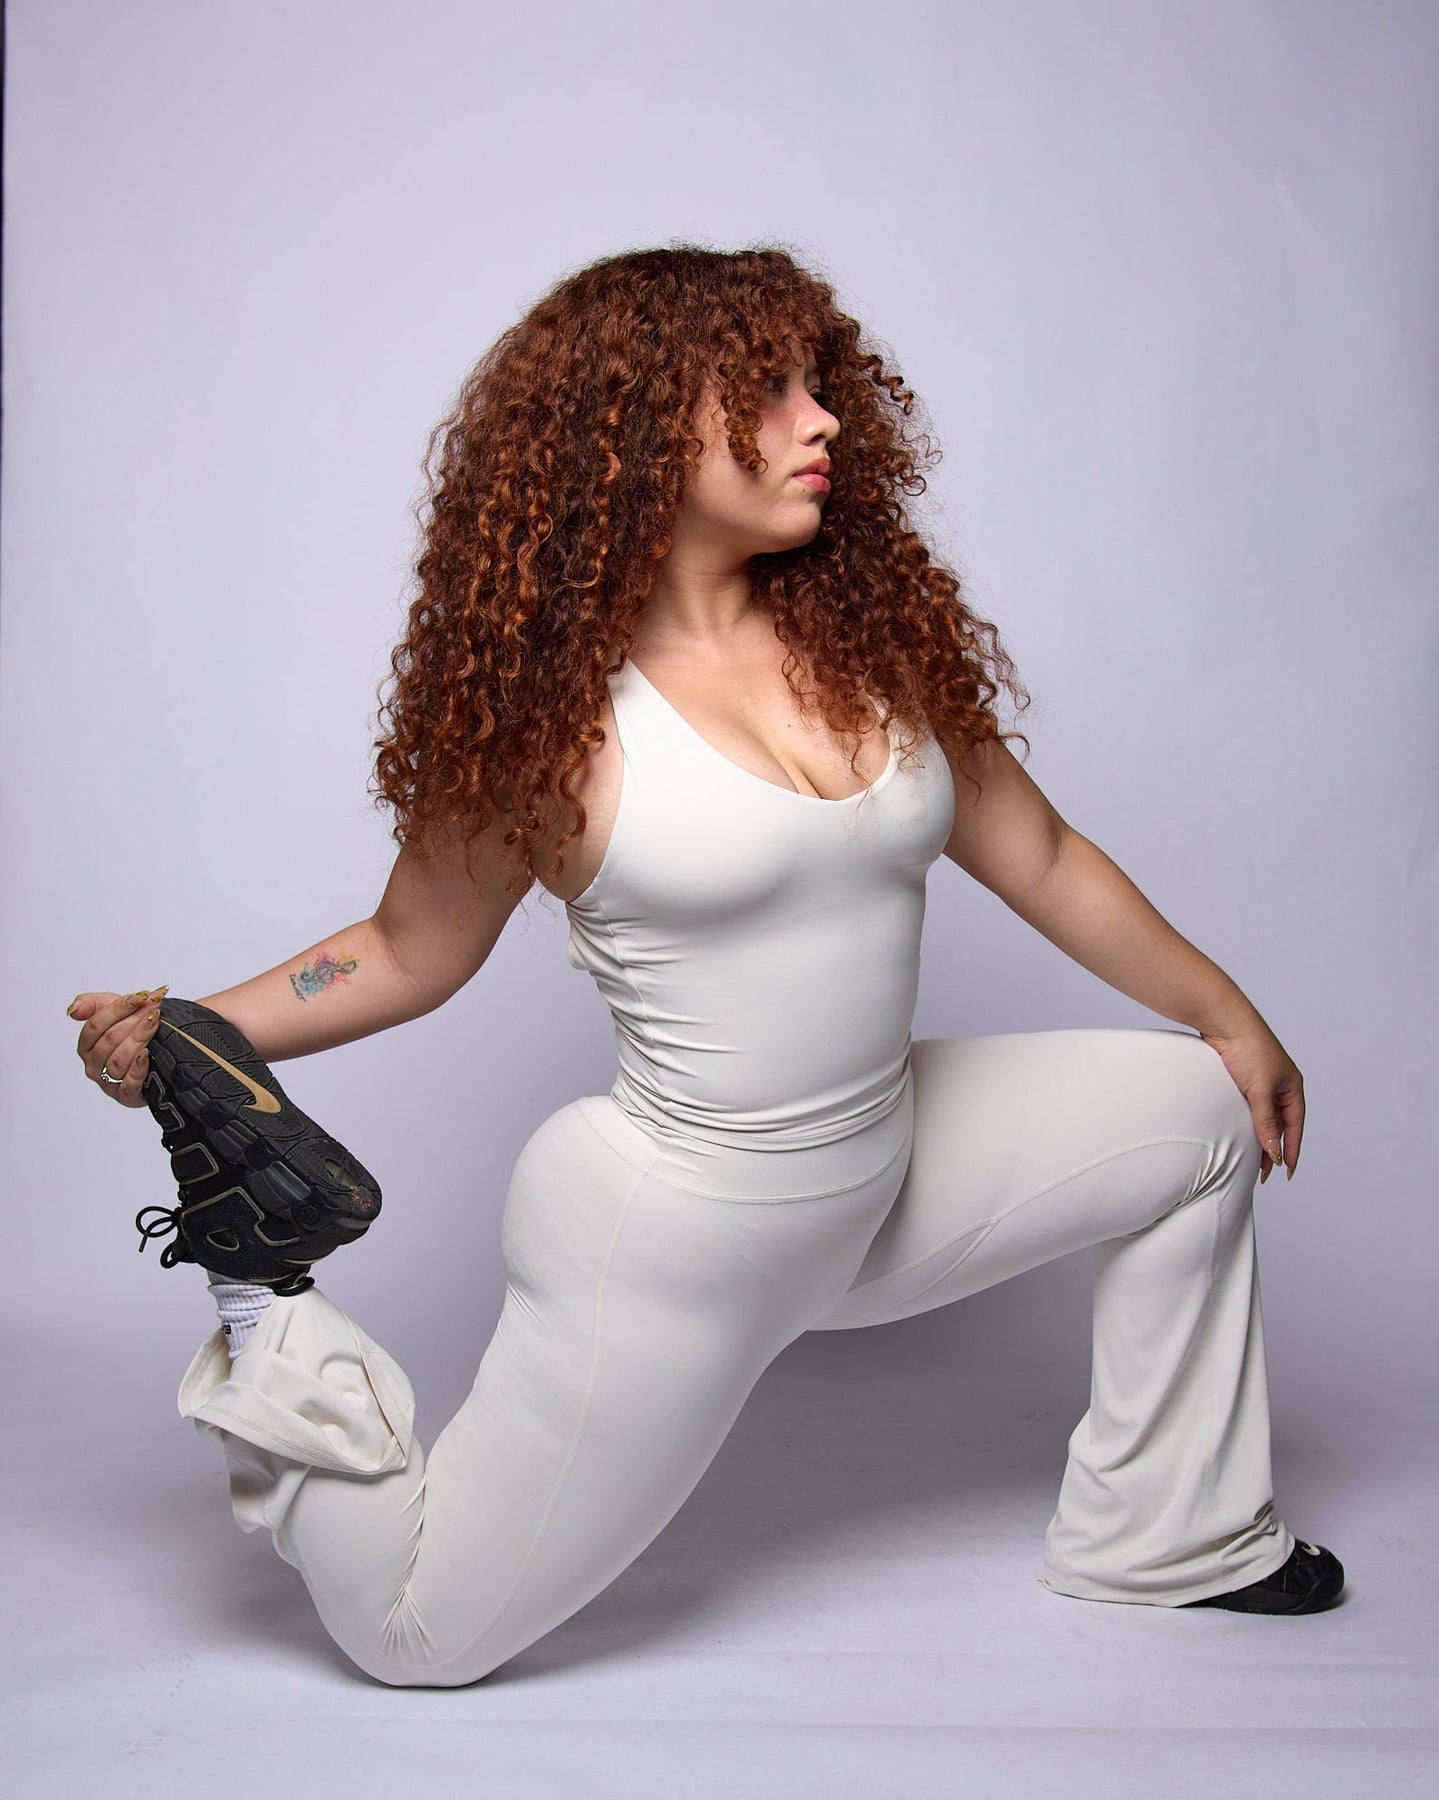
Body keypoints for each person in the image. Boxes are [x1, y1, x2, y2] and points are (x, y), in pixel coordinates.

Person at [68, 244, 1343, 1689]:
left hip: (886, 1175)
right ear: (633, 436)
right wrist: (187, 1032)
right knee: (416, 1637)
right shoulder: (549, 722)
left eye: (819, 383)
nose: (824, 419)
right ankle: (260, 1298)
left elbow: (1039, 853)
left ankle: (1168, 1537)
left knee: (1200, 1115)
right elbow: (405, 950)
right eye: (768, 391)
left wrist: (1230, 1016)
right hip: (681, 1239)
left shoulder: (869, 646)